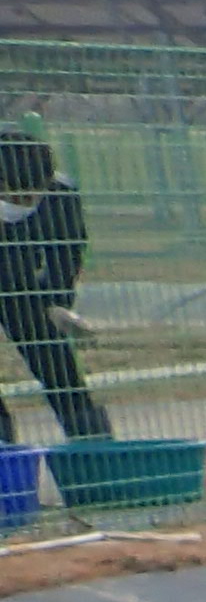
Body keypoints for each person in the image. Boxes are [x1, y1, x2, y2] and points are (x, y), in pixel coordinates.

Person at [0, 128, 114, 446]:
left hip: (21, 285)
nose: (29, 204)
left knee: (56, 361)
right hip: (11, 273)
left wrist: (57, 303)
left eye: (36, 195)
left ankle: (95, 452)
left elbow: (66, 251)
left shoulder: (60, 194)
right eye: (19, 198)